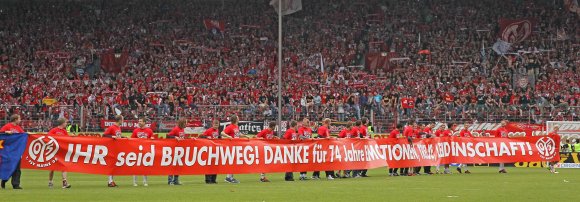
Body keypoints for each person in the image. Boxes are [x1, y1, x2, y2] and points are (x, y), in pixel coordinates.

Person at [221, 115, 248, 183]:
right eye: (238, 118)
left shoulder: (236, 127)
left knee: (234, 162)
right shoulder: (230, 127)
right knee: (232, 161)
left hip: (236, 146)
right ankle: (229, 177)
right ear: (236, 119)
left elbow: (238, 135)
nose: (239, 119)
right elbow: (222, 133)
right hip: (231, 146)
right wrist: (228, 136)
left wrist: (244, 136)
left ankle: (229, 177)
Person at [1, 114, 25, 189]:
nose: (20, 120)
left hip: (16, 152)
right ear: (15, 120)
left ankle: (16, 185)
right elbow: (1, 134)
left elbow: (23, 135)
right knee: (8, 167)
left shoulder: (19, 128)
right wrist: (6, 132)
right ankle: (4, 180)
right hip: (8, 151)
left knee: (17, 169)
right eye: (19, 119)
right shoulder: (7, 126)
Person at [47, 118, 72, 189]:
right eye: (65, 123)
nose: (66, 124)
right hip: (54, 151)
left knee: (64, 166)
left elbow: (68, 139)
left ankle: (64, 182)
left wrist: (72, 137)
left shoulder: (64, 131)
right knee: (52, 168)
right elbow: (48, 138)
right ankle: (50, 181)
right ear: (62, 123)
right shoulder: (53, 130)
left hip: (62, 151)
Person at [131, 117, 154, 186]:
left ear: (144, 122)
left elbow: (153, 140)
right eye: (139, 121)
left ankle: (145, 181)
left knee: (145, 166)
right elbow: (132, 140)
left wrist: (152, 139)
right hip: (137, 151)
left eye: (141, 121)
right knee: (136, 166)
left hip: (145, 151)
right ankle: (135, 182)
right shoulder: (135, 130)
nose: (139, 122)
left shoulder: (149, 131)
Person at [103, 115, 124, 187]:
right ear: (120, 120)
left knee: (113, 165)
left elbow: (118, 137)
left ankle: (111, 180)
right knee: (111, 165)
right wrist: (112, 136)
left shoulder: (118, 127)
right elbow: (104, 135)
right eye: (122, 120)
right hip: (111, 149)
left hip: (116, 148)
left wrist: (124, 137)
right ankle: (110, 181)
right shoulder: (112, 127)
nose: (123, 121)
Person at [166, 118, 187, 185]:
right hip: (174, 150)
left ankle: (176, 180)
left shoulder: (182, 129)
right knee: (173, 166)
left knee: (178, 166)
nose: (186, 124)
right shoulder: (176, 129)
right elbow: (168, 135)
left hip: (180, 150)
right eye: (185, 123)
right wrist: (175, 137)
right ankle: (170, 180)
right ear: (182, 123)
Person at [202, 120, 220, 184]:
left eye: (217, 125)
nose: (216, 126)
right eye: (215, 125)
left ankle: (213, 179)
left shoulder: (217, 131)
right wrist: (207, 137)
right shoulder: (209, 130)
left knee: (215, 165)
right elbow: (202, 136)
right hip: (210, 150)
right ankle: (208, 179)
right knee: (209, 165)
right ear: (212, 124)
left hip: (216, 150)